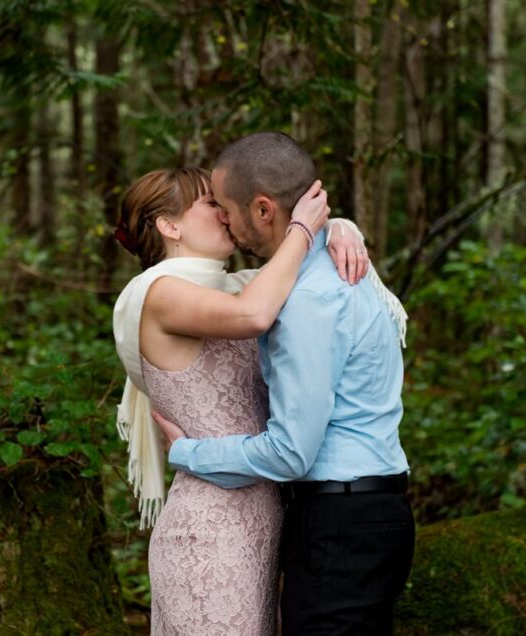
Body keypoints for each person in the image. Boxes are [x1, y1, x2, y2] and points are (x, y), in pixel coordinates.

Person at [152, 132, 414, 635]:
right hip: (368, 514)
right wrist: (338, 225)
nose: (222, 219)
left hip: (340, 522)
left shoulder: (306, 303)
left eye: (226, 208)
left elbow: (291, 452)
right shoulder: (334, 269)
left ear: (265, 209)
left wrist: (190, 453)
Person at [112, 163, 370, 635]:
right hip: (209, 528)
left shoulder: (234, 284)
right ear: (170, 226)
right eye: (210, 204)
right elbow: (252, 315)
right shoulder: (160, 292)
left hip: (265, 519)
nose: (226, 215)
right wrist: (300, 230)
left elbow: (290, 277)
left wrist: (339, 229)